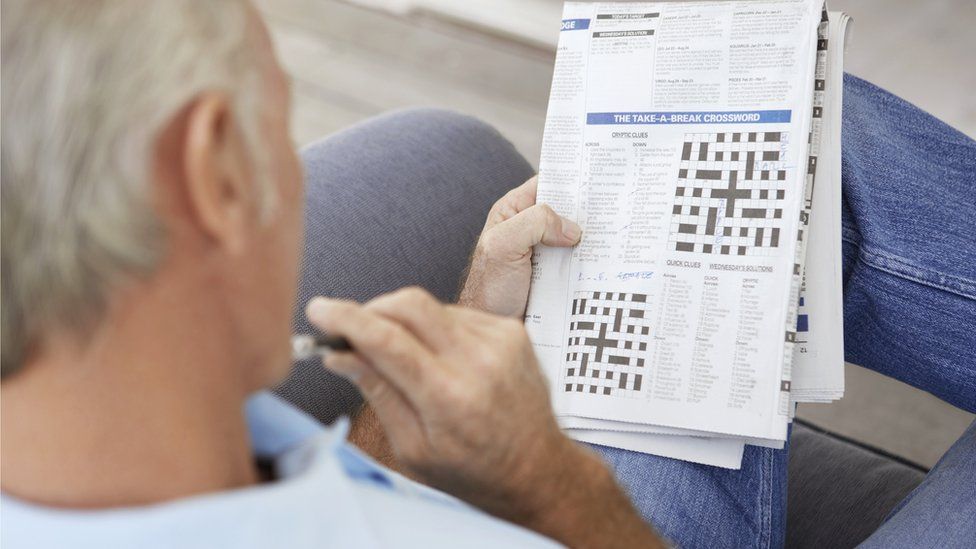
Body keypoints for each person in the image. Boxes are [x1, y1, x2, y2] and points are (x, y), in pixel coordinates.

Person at [1, 2, 973, 548]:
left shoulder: (135, 409)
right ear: (213, 171)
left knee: (782, 135)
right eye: (278, 125)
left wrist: (462, 343)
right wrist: (547, 487)